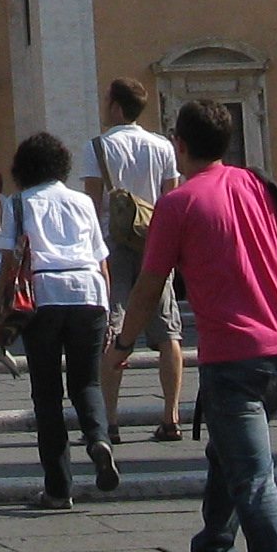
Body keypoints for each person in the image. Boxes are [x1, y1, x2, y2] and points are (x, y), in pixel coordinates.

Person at [110, 100, 277, 552]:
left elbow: (149, 287)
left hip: (236, 360)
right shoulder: (258, 185)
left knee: (253, 478)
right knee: (228, 454)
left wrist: (123, 343)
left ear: (180, 143)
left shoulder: (177, 204)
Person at [0, 132, 119, 508]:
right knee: (87, 382)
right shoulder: (82, 202)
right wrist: (110, 311)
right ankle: (98, 438)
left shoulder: (17, 204)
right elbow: (101, 261)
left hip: (44, 296)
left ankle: (58, 487)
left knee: (47, 395)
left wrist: (1, 313)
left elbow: (8, 264)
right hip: (89, 292)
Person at [89, 80, 186, 443]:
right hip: (155, 242)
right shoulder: (163, 147)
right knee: (167, 331)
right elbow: (172, 199)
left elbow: (92, 205)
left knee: (112, 328)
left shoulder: (97, 147)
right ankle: (171, 416)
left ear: (115, 107)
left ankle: (109, 421)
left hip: (112, 244)